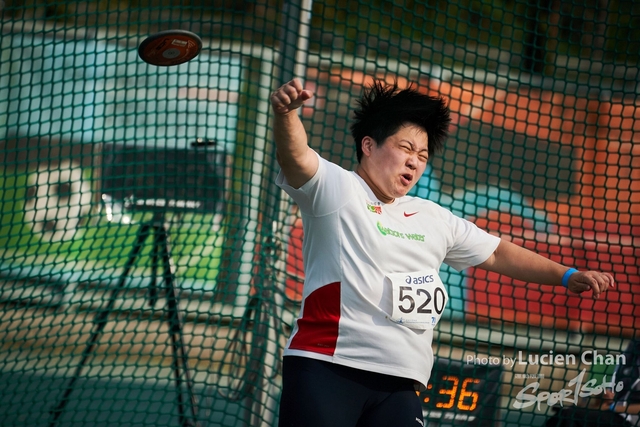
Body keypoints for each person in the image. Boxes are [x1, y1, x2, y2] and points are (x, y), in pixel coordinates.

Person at [271, 78, 615, 427]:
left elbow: (497, 253)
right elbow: (297, 157)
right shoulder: (339, 189)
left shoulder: (432, 216)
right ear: (369, 145)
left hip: (401, 383)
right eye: (405, 148)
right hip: (328, 366)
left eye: (422, 155)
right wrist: (285, 114)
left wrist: (567, 275)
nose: (414, 162)